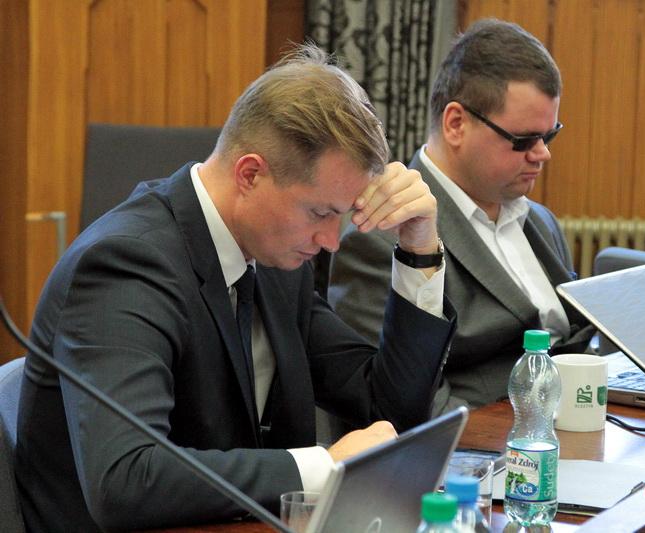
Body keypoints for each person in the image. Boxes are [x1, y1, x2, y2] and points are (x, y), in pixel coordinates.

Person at [15, 44, 456, 532]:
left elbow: (388, 411)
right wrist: (324, 466)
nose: (331, 241)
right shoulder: (125, 265)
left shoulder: (275, 255)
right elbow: (126, 479)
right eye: (320, 212)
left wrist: (419, 251)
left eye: (342, 215)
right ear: (250, 174)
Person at [328, 19, 594, 414]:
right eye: (523, 140)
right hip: (490, 438)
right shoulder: (382, 237)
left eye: (549, 135)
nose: (543, 154)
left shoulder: (540, 221)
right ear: (456, 124)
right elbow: (401, 403)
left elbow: (572, 341)